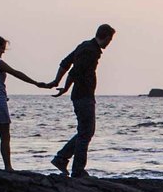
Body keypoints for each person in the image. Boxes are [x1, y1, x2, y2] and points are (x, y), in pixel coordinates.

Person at [0, 35, 53, 171]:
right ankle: (8, 167)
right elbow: (15, 73)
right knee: (5, 136)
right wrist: (36, 83)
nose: (2, 52)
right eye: (1, 49)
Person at [50, 23, 117, 178]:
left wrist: (56, 81)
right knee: (86, 132)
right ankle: (77, 169)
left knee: (85, 131)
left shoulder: (84, 46)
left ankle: (61, 158)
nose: (109, 43)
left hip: (82, 95)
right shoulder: (91, 51)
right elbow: (74, 70)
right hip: (84, 95)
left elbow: (65, 63)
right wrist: (65, 87)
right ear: (106, 37)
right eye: (110, 39)